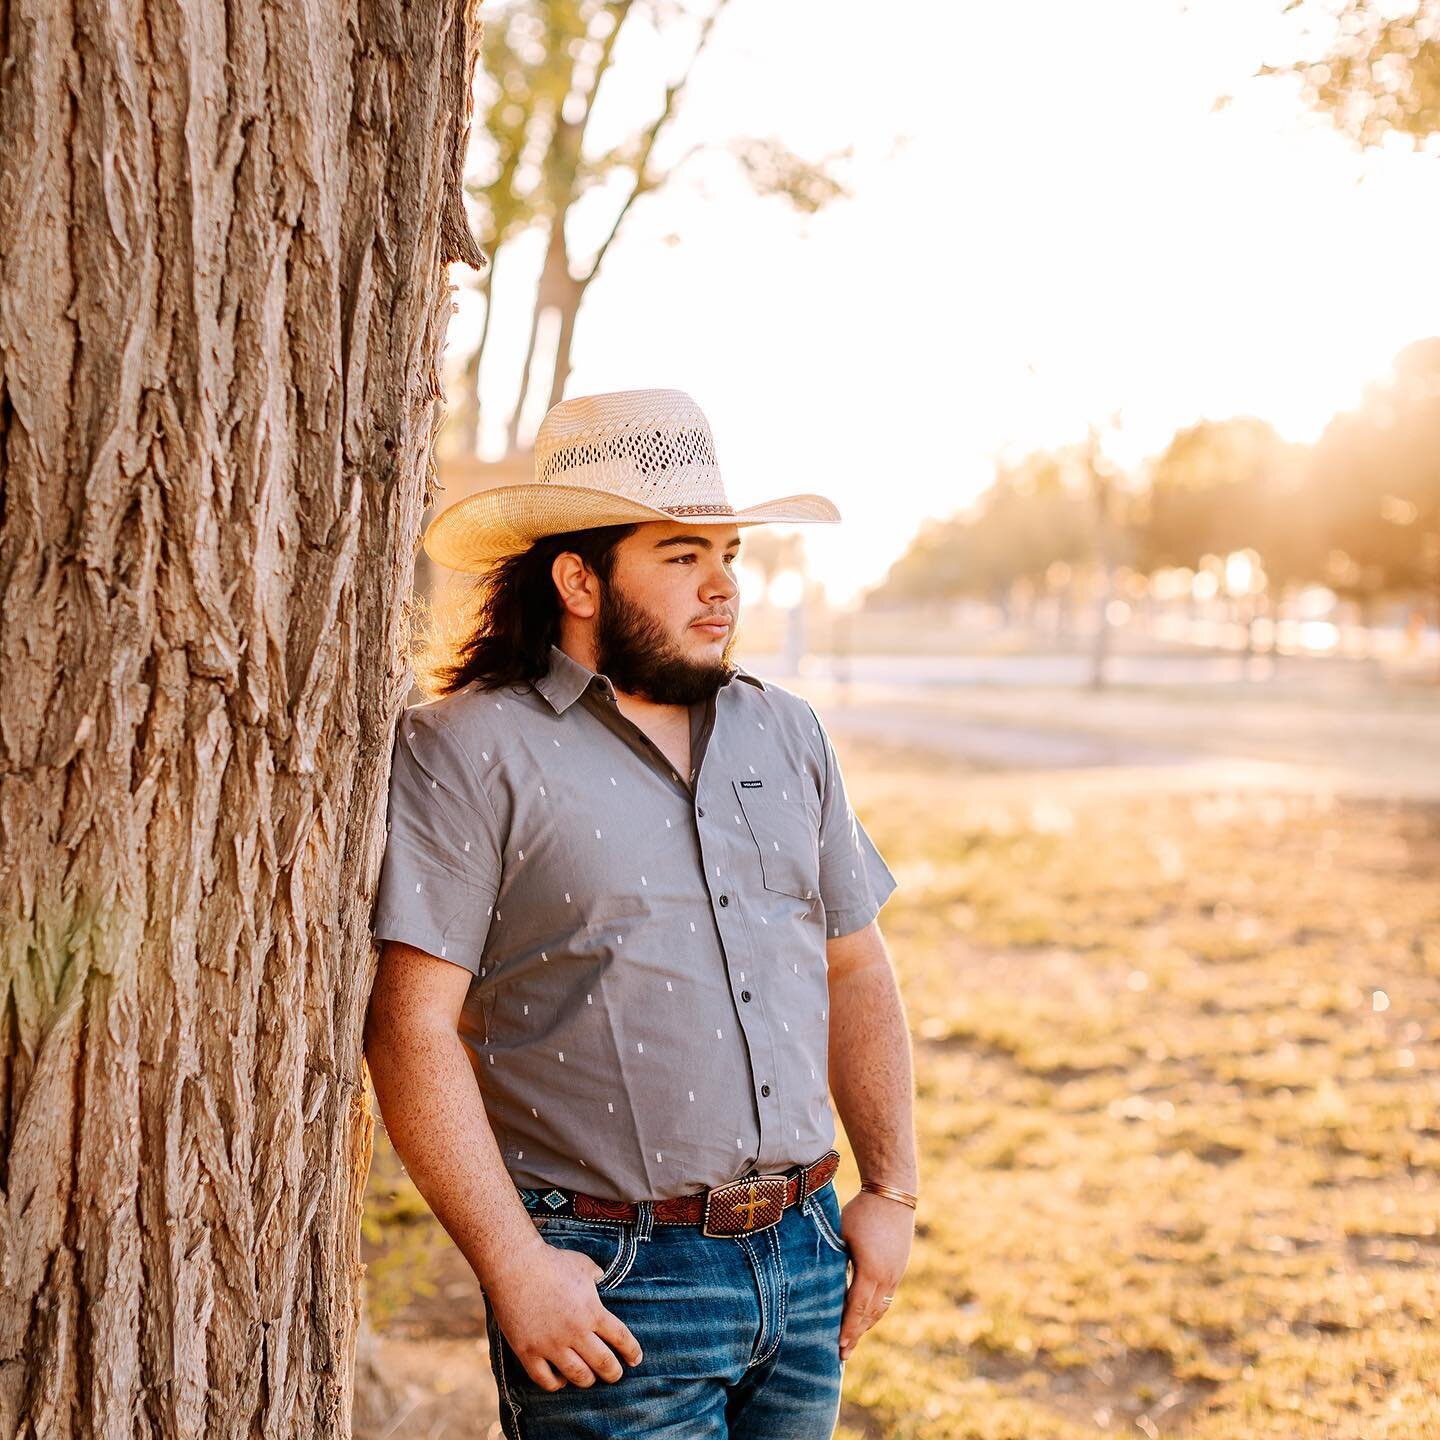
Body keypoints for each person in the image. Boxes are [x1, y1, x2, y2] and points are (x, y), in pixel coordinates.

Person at [366, 388, 917, 1439]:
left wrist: (890, 1192)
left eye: (731, 556)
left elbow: (856, 968)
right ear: (579, 576)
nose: (721, 589)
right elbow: (411, 1026)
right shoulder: (465, 751)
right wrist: (513, 1265)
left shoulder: (785, 732)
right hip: (613, 1287)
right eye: (680, 556)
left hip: (807, 1267)